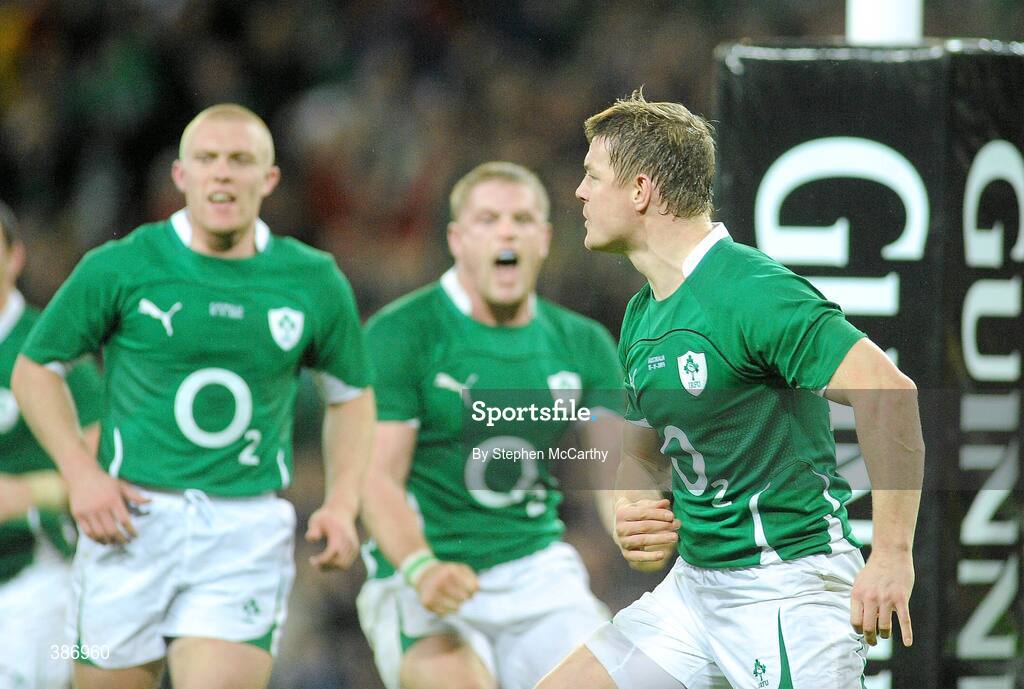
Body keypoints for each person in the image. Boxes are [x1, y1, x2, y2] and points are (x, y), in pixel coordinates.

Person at [536, 92, 925, 689]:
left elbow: (888, 392)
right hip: (693, 594)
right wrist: (629, 518)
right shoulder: (643, 313)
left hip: (787, 593)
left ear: (640, 190)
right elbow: (642, 455)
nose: (580, 193)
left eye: (592, 176)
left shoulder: (751, 290)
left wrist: (893, 554)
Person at [11, 104, 375, 689]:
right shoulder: (121, 265)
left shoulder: (313, 278)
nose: (222, 174)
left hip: (243, 530)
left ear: (270, 179)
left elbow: (352, 397)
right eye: (206, 160)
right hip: (129, 524)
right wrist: (81, 474)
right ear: (181, 176)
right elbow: (35, 370)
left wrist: (343, 501)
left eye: (240, 161)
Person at [356, 161, 624, 689]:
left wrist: (633, 525)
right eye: (488, 219)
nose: (506, 231)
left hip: (537, 571)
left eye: (522, 219)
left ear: (545, 239)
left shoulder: (584, 343)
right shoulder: (401, 334)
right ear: (456, 238)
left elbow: (614, 472)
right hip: (427, 571)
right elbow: (377, 479)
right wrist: (420, 567)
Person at [0, 200, 103, 689]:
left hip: (33, 575)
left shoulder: (48, 351)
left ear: (15, 257)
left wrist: (27, 493)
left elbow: (108, 475)